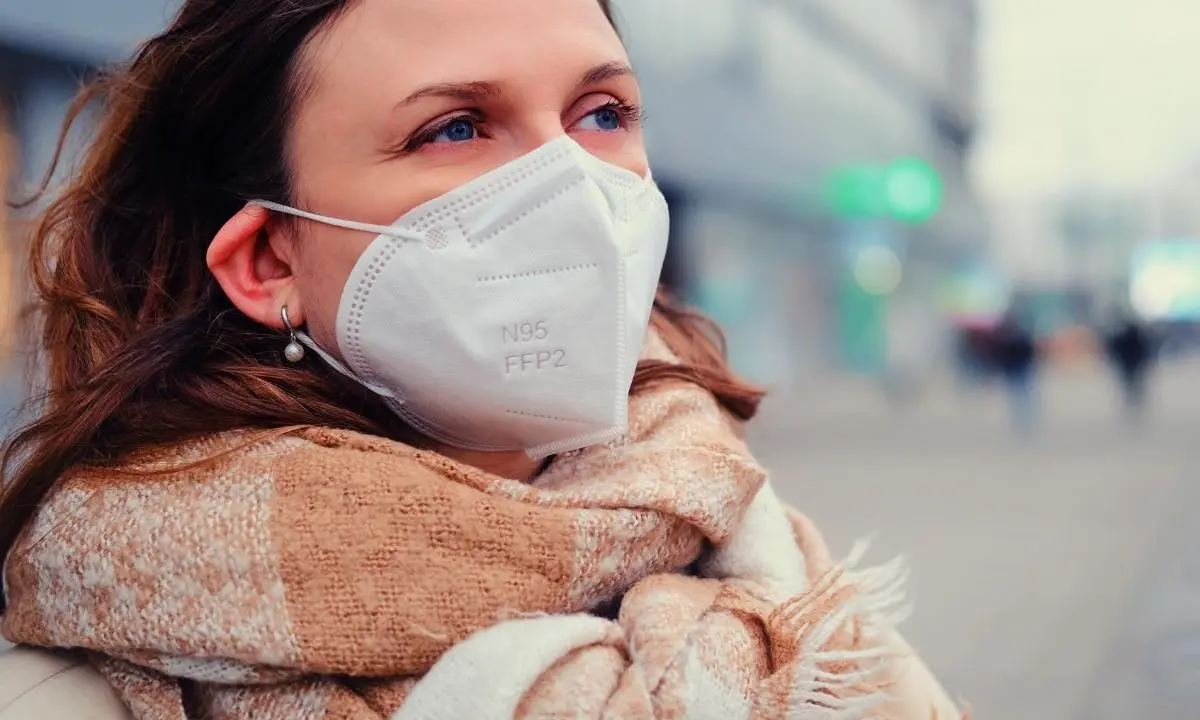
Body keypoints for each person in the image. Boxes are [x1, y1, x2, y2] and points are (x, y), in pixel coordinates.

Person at [0, 1, 961, 718]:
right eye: (454, 128)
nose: (574, 189)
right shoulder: (64, 690)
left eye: (601, 114)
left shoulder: (756, 552)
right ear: (267, 260)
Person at [991, 309, 1039, 437]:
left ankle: (1025, 425)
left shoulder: (1013, 338)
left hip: (1020, 372)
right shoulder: (1015, 338)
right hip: (1019, 373)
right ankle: (1023, 425)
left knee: (1022, 400)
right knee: (1021, 401)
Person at [1102, 310, 1156, 423]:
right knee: (1134, 385)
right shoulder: (1134, 335)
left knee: (1131, 386)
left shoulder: (1123, 336)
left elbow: (1116, 350)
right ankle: (1134, 403)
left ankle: (1133, 403)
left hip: (1129, 364)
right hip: (1132, 364)